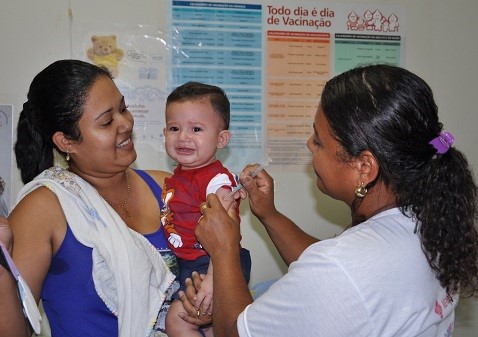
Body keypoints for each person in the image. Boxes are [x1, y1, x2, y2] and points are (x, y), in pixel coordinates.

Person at [178, 64, 478, 337]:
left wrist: (224, 249)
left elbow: (234, 332)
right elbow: (328, 270)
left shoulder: (342, 268)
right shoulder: (429, 218)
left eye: (319, 140)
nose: (309, 145)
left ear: (364, 167)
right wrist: (268, 214)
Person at [0, 59, 211, 337]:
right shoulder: (43, 209)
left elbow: (215, 266)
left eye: (123, 108)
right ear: (67, 142)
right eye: (107, 121)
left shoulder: (166, 186)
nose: (125, 123)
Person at [162, 81, 251, 337]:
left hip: (213, 262)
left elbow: (226, 235)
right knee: (212, 327)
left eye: (196, 129)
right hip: (192, 262)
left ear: (221, 138)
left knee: (178, 321)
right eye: (174, 128)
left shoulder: (216, 181)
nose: (183, 137)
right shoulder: (181, 175)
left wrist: (215, 278)